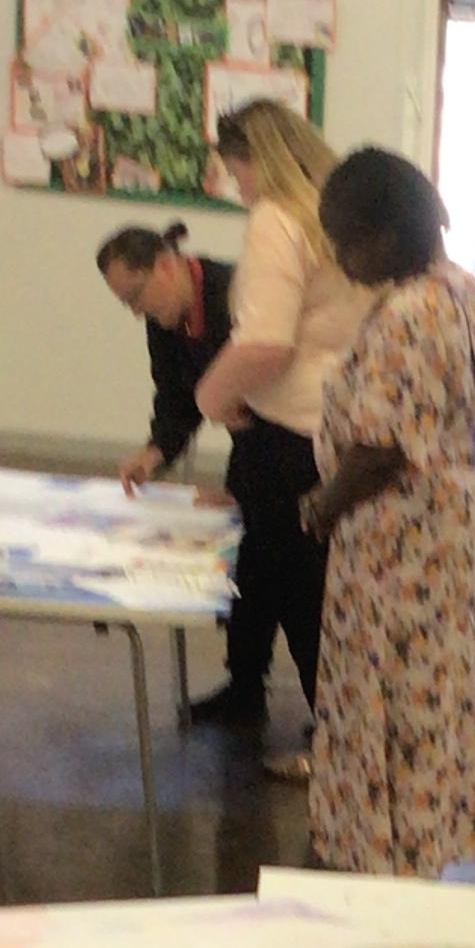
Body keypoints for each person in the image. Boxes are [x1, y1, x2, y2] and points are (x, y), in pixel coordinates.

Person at [295, 148, 475, 879]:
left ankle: (386, 852)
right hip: (440, 536)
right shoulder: (458, 287)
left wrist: (323, 505)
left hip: (397, 543)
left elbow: (381, 448)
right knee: (427, 701)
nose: (342, 261)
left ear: (384, 233)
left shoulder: (410, 313)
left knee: (388, 700)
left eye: (346, 243)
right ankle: (415, 847)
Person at [190, 100, 363, 729]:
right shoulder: (340, 215)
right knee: (266, 567)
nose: (235, 186)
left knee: (293, 582)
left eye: (234, 171)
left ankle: (334, 730)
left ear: (255, 160)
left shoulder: (275, 219)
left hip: (285, 432)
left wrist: (210, 398)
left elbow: (266, 342)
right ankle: (247, 687)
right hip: (335, 425)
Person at [95, 220, 234, 491]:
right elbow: (175, 393)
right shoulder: (161, 318)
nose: (137, 313)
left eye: (136, 296)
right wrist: (155, 451)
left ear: (165, 266)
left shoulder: (232, 292)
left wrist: (240, 489)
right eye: (127, 303)